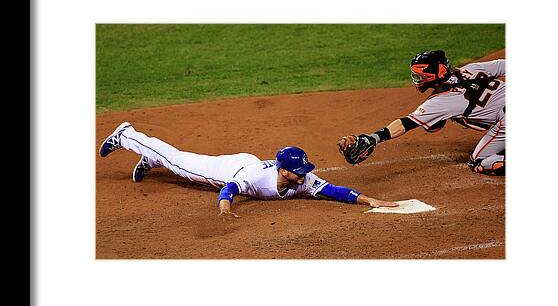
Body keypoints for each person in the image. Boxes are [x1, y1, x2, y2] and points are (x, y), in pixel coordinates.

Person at [99, 122, 399, 217]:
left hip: (249, 160)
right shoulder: (257, 178)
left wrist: (369, 199)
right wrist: (225, 207)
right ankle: (127, 135)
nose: (304, 175)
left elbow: (334, 191)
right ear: (284, 172)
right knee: (180, 162)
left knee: (175, 160)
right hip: (233, 169)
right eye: (299, 171)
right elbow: (230, 187)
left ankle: (153, 158)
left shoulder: (301, 178)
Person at [337, 50, 505, 176]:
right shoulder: (472, 69)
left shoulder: (440, 101)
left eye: (421, 75)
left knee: (480, 162)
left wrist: (374, 137)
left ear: (436, 73)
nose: (418, 79)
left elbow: (406, 123)